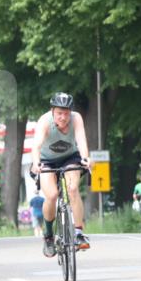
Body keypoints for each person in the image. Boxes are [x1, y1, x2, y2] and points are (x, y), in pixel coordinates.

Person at [29, 92, 93, 256]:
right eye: (59, 113)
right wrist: (36, 163)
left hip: (70, 158)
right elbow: (36, 146)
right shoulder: (45, 121)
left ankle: (79, 233)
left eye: (66, 113)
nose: (63, 117)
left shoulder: (76, 118)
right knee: (51, 195)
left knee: (72, 189)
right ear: (52, 111)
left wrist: (86, 158)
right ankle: (49, 235)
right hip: (46, 160)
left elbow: (81, 140)